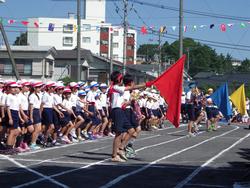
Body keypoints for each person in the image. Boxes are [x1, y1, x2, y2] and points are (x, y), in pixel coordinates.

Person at [109, 71, 153, 162]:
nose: (122, 79)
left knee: (131, 130)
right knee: (118, 133)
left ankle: (121, 149)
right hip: (117, 110)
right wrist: (146, 84)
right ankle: (114, 155)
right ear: (118, 79)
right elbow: (132, 87)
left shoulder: (119, 88)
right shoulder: (116, 87)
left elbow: (131, 89)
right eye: (121, 78)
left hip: (120, 110)